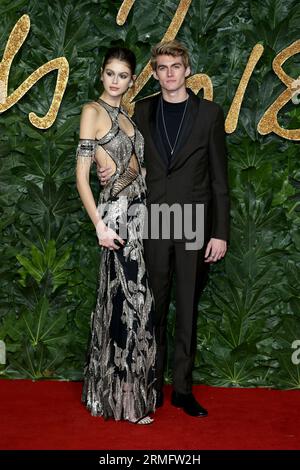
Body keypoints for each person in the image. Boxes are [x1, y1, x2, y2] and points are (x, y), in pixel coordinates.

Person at [100, 40, 230, 418]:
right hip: (153, 219)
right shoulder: (142, 110)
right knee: (151, 307)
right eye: (162, 67)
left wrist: (219, 232)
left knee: (187, 308)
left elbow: (220, 180)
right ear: (155, 73)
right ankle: (151, 385)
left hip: (193, 221)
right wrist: (107, 167)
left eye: (176, 66)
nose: (169, 73)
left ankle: (183, 390)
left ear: (187, 69)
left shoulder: (209, 114)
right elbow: (129, 160)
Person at [76, 47, 156, 425]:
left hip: (140, 213)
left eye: (122, 75)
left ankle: (128, 396)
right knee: (127, 302)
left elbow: (137, 165)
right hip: (116, 216)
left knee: (137, 303)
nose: (115, 81)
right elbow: (81, 177)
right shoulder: (92, 112)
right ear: (101, 73)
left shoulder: (128, 114)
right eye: (110, 73)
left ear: (131, 80)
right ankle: (119, 400)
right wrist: (99, 226)